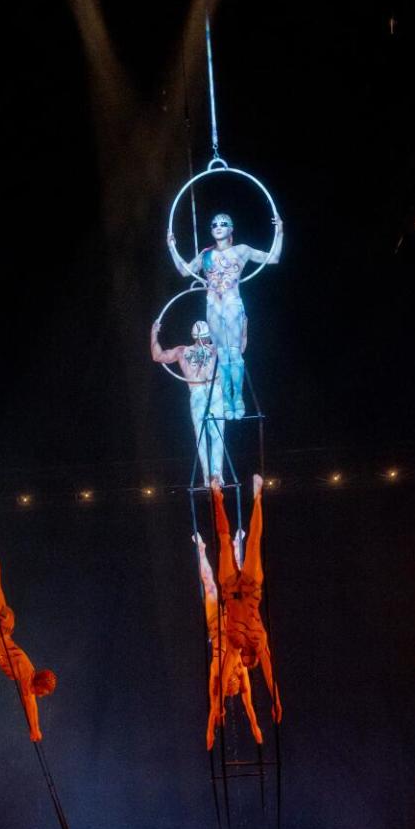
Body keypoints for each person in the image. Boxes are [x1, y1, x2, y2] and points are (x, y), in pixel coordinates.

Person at [167, 212, 283, 421]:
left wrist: (280, 231)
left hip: (231, 304)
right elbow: (185, 272)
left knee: (234, 353)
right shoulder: (206, 255)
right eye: (214, 224)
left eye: (223, 223)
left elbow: (273, 258)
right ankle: (228, 400)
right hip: (213, 306)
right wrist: (171, 247)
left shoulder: (241, 250)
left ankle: (237, 399)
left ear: (231, 229)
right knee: (222, 353)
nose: (218, 226)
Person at [0, 522, 57, 742]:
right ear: (38, 684)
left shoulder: (29, 671)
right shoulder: (26, 676)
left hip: (3, 626)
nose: (38, 696)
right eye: (41, 692)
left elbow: (32, 702)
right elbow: (29, 704)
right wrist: (34, 729)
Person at [207, 476, 282, 736]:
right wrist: (276, 700)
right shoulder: (259, 641)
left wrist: (216, 708)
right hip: (250, 592)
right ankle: (258, 497)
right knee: (253, 543)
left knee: (225, 540)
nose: (248, 661)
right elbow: (270, 673)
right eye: (251, 662)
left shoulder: (235, 643)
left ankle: (217, 496)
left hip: (230, 590)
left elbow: (224, 673)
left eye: (248, 661)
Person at [195, 532, 263, 751]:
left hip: (216, 628)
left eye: (230, 688)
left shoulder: (216, 677)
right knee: (236, 585)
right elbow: (249, 706)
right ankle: (236, 545)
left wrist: (210, 733)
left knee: (210, 587)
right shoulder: (241, 671)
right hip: (233, 624)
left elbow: (213, 708)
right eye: (235, 686)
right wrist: (255, 727)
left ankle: (201, 549)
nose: (233, 685)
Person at [151, 320, 224, 486]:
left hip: (214, 390)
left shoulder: (214, 348)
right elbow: (158, 356)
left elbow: (239, 349)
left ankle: (216, 474)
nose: (204, 341)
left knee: (216, 433)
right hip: (198, 392)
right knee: (202, 435)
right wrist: (153, 333)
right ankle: (209, 475)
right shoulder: (182, 351)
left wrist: (242, 326)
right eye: (203, 338)